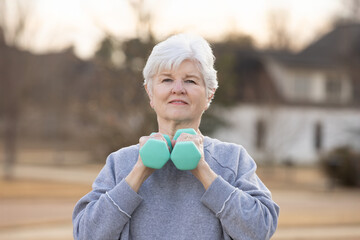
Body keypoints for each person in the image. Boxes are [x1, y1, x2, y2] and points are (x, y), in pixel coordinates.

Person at [73, 33, 279, 240]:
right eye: (166, 80)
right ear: (150, 93)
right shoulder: (121, 163)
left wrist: (203, 171)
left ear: (209, 95)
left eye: (190, 81)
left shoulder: (232, 160)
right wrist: (138, 172)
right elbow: (86, 234)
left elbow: (259, 231)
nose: (178, 89)